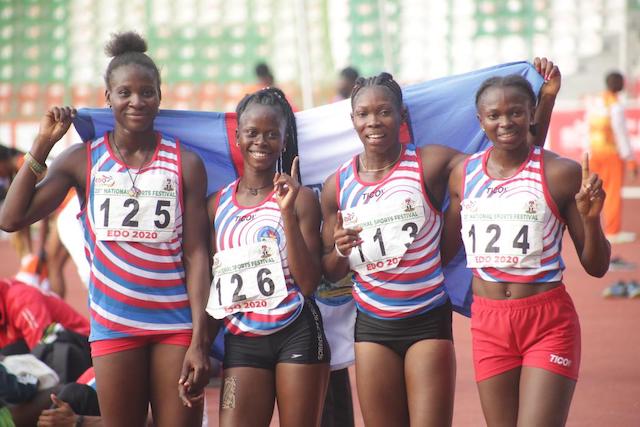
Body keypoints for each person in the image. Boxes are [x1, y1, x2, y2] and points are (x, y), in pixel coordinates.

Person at [320, 59, 559, 426]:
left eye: (384, 112)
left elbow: (510, 161)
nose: (373, 122)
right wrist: (339, 249)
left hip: (426, 319)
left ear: (401, 116)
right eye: (363, 114)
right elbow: (330, 268)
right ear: (352, 120)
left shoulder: (429, 163)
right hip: (371, 326)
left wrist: (546, 101)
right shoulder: (338, 185)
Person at [0, 31, 211, 426]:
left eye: (147, 92)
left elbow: (198, 253)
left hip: (175, 326)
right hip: (114, 326)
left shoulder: (186, 163)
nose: (136, 101)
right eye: (125, 92)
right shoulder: (84, 161)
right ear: (108, 97)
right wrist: (43, 144)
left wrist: (200, 340)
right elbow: (10, 219)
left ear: (160, 97)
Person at [441, 74, 611, 426]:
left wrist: (591, 220)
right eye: (494, 115)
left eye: (516, 112)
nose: (505, 122)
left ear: (532, 113)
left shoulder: (559, 173)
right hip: (488, 322)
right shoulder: (463, 175)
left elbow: (597, 266)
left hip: (546, 321)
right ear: (480, 120)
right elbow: (443, 252)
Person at [205, 87, 330, 426]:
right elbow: (209, 283)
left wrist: (287, 214)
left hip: (297, 332)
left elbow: (307, 284)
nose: (261, 141)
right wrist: (199, 346)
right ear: (237, 137)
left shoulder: (302, 200)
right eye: (252, 133)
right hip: (243, 339)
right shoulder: (217, 205)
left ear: (284, 138)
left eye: (272, 134)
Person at [586, 71, 637, 246]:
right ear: (620, 84)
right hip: (611, 154)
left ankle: (599, 229)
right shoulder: (615, 105)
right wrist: (630, 159)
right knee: (613, 192)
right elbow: (621, 134)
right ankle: (613, 230)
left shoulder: (596, 101)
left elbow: (589, 127)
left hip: (595, 152)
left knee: (597, 192)